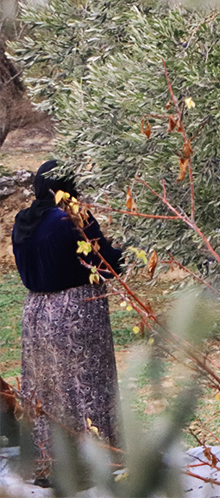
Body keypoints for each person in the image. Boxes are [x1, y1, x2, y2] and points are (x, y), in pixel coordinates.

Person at [11, 160, 123, 486]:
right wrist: (131, 248)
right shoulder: (71, 218)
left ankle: (47, 463)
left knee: (45, 387)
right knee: (87, 386)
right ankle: (91, 463)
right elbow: (106, 264)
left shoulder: (24, 220)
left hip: (35, 311)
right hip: (76, 310)